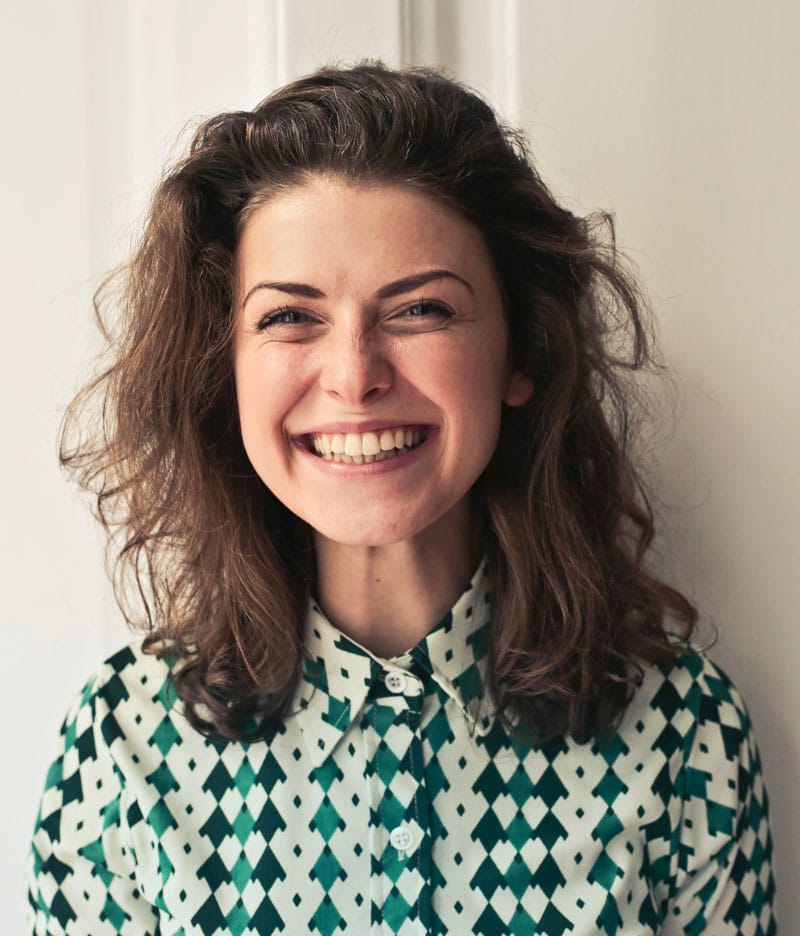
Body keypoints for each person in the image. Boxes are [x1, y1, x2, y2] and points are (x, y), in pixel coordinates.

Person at [28, 63, 776, 935]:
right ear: (221, 372)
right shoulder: (121, 748)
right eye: (288, 317)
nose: (355, 376)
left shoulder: (684, 737)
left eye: (420, 309)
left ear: (523, 352)